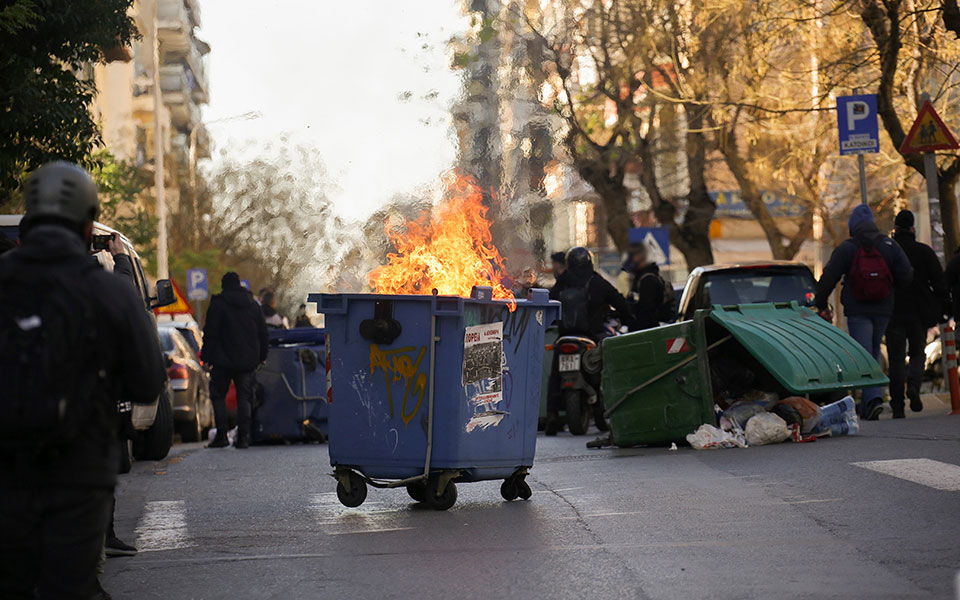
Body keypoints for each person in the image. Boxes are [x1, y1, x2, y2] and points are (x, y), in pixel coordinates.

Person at [0, 162, 164, 599]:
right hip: (79, 473)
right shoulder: (109, 291)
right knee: (71, 586)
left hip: (8, 473)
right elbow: (148, 382)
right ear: (89, 223)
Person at [815, 204, 913, 420]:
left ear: (853, 225)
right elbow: (906, 274)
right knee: (874, 351)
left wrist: (819, 302)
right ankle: (873, 399)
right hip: (883, 308)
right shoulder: (889, 245)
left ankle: (872, 400)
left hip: (858, 309)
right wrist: (890, 289)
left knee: (865, 353)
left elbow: (829, 277)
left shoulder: (847, 248)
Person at [546, 247, 634, 434]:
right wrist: (627, 314)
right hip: (591, 336)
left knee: (555, 374)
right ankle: (604, 403)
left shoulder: (563, 281)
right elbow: (619, 302)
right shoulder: (596, 281)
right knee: (605, 368)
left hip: (565, 336)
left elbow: (549, 304)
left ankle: (551, 413)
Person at [886, 210, 947, 418]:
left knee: (896, 358)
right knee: (917, 353)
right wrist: (943, 307)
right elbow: (939, 282)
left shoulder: (889, 253)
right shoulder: (924, 252)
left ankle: (897, 404)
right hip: (918, 312)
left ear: (895, 229)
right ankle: (913, 385)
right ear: (913, 228)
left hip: (893, 310)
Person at [203, 272, 269, 449]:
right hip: (247, 361)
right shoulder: (252, 305)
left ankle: (222, 436)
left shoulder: (218, 304)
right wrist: (262, 356)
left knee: (218, 395)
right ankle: (244, 438)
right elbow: (263, 333)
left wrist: (206, 357)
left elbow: (210, 333)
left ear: (224, 285)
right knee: (244, 398)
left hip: (222, 361)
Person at [623, 240, 675, 330]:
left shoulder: (647, 280)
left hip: (648, 332)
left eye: (632, 255)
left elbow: (646, 314)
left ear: (640, 256)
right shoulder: (642, 278)